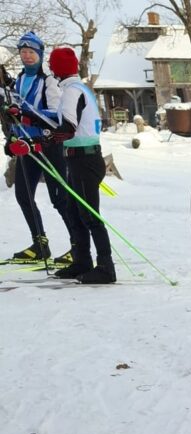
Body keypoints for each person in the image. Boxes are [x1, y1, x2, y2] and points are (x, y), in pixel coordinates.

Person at [2, 31, 73, 263]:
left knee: (59, 199)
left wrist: (27, 112)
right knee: (23, 195)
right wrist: (11, 139)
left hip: (48, 144)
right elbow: (13, 111)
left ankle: (78, 245)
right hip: (27, 146)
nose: (27, 56)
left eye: (32, 52)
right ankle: (39, 243)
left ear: (40, 55)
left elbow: (55, 115)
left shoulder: (49, 81)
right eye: (23, 52)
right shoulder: (20, 79)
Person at [48, 47, 114, 283]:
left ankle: (106, 267)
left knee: (88, 213)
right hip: (81, 157)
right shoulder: (78, 88)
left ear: (56, 69)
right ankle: (82, 261)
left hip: (83, 159)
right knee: (73, 210)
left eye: (52, 65)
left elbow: (67, 128)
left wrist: (43, 139)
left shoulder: (71, 92)